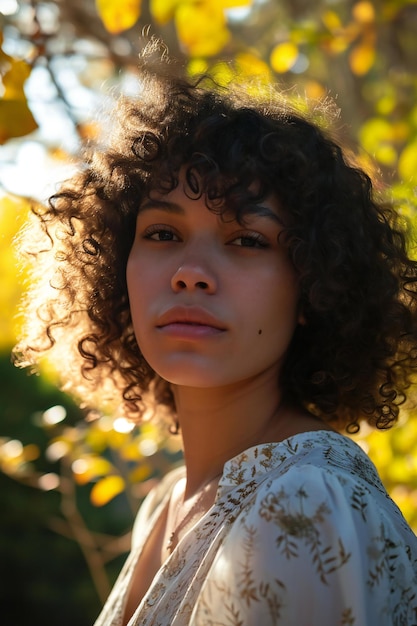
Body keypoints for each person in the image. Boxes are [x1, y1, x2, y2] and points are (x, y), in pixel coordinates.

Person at [14, 42, 417, 625]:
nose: (190, 273)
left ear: (314, 287)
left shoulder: (303, 504)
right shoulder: (164, 504)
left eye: (247, 240)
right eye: (161, 234)